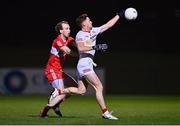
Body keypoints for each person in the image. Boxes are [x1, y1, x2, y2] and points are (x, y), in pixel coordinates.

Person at [62, 12, 123, 120]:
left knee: (81, 91)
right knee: (99, 87)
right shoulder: (80, 34)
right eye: (89, 20)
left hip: (83, 65)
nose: (91, 22)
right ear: (84, 24)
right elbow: (81, 48)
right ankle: (105, 113)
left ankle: (60, 91)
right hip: (84, 65)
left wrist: (119, 15)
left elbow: (108, 25)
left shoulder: (93, 31)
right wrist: (96, 47)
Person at [39, 21, 78, 117]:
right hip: (52, 69)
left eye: (69, 28)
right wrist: (81, 53)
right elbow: (68, 51)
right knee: (61, 91)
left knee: (75, 88)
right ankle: (45, 110)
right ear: (61, 31)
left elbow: (78, 47)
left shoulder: (69, 39)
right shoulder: (58, 41)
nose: (69, 30)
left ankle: (56, 104)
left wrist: (84, 48)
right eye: (66, 28)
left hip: (59, 70)